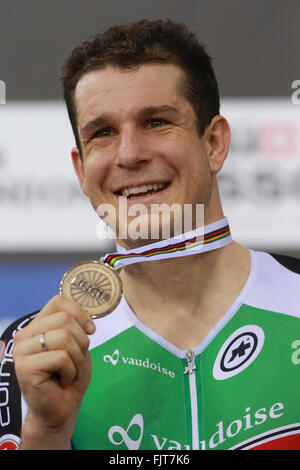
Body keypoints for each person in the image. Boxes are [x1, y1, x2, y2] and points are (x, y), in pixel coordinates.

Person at [1, 19, 300, 451]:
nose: (130, 154)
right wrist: (47, 433)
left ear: (213, 142)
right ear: (82, 170)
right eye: (102, 133)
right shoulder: (28, 357)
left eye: (156, 122)